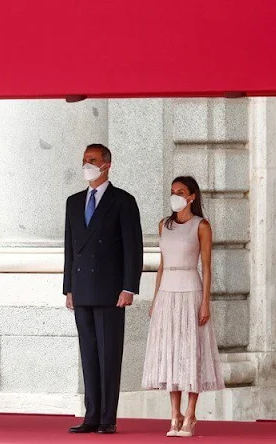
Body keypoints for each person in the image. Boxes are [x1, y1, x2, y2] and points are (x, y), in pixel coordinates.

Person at [63, 143, 143, 434]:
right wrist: (68, 288)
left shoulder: (122, 201)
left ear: (107, 164)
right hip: (82, 290)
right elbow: (70, 249)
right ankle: (91, 415)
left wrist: (129, 288)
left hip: (111, 292)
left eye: (93, 160)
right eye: (84, 160)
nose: (87, 164)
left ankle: (108, 417)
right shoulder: (73, 202)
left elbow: (134, 248)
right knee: (88, 355)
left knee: (109, 355)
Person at [141, 176, 224, 437]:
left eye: (180, 192)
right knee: (171, 352)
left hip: (191, 292)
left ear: (192, 196)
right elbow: (162, 266)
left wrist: (205, 303)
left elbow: (207, 267)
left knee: (191, 351)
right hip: (168, 292)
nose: (175, 195)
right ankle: (174, 414)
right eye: (172, 191)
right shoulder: (163, 225)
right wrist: (155, 300)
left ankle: (191, 413)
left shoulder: (202, 226)